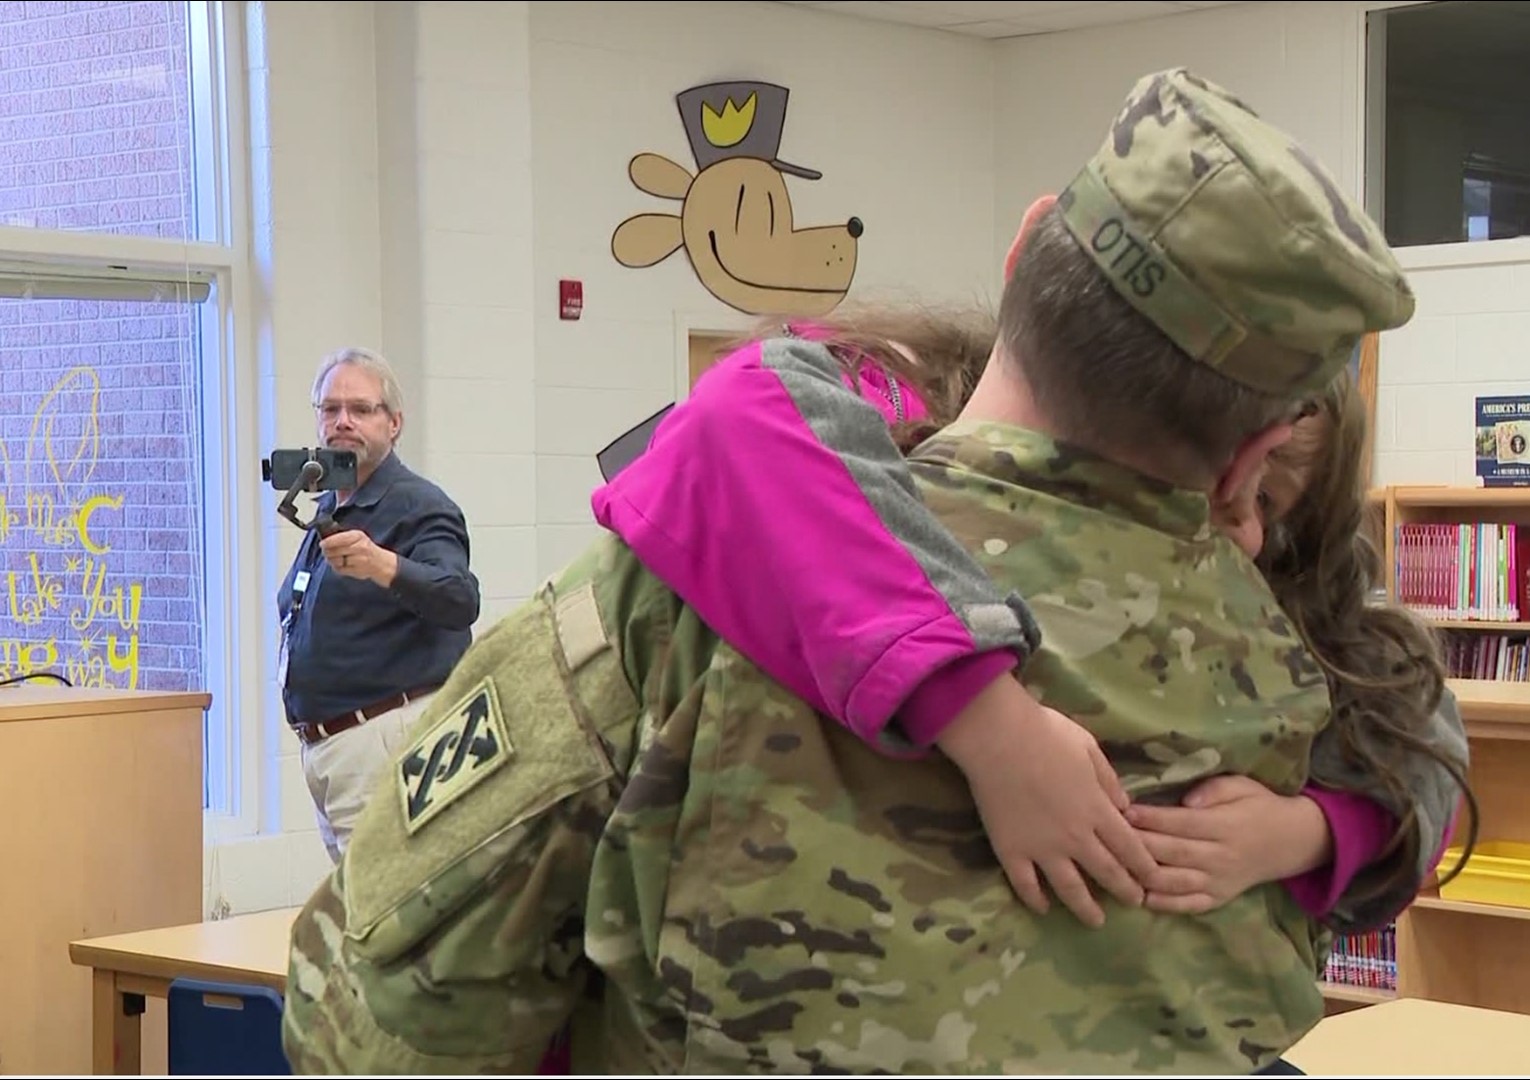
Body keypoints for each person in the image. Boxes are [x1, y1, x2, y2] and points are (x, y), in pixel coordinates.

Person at [284, 68, 1425, 1073]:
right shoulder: (1302, 668)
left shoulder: (704, 581)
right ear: (1264, 449)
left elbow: (387, 1015)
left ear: (1024, 244)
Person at [592, 307, 1469, 935]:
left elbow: (1415, 732)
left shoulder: (1292, 590)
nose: (1230, 515)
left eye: (1267, 497)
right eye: (1211, 470)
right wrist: (991, 726)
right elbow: (744, 408)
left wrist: (1305, 833)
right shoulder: (952, 422)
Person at [275, 347, 482, 863]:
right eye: (330, 409)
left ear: (394, 423)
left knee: (386, 910)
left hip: (384, 740)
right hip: (330, 749)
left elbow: (459, 598)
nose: (343, 421)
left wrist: (382, 566)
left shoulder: (418, 505)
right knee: (355, 910)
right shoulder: (331, 501)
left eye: (361, 409)